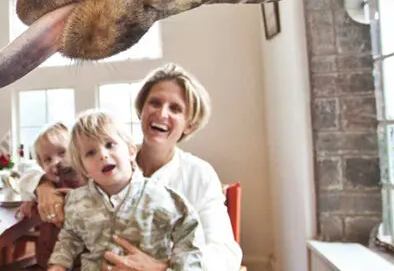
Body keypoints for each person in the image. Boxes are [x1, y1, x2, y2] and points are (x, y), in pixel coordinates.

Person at [24, 63, 242, 271]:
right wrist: (43, 186)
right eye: (155, 103)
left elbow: (226, 253)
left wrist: (163, 267)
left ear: (190, 124)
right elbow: (33, 168)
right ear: (142, 109)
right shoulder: (108, 158)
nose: (162, 113)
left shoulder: (198, 175)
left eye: (175, 108)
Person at [47, 110, 203, 271]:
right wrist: (59, 264)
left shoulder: (160, 196)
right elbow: (70, 237)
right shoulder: (77, 200)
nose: (103, 155)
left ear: (130, 151)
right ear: (84, 169)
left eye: (110, 145)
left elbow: (188, 230)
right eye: (91, 152)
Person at [18, 121, 85, 268]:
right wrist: (29, 200)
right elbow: (25, 179)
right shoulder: (47, 185)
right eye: (47, 159)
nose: (55, 162)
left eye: (62, 153)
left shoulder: (88, 182)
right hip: (47, 261)